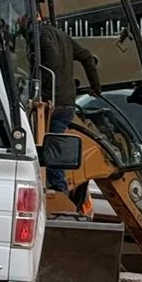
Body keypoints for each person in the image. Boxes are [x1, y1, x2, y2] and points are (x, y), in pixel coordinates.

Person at [38, 19, 104, 201]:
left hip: (52, 103)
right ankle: (57, 188)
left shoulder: (41, 34)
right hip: (67, 103)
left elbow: (50, 57)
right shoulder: (63, 37)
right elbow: (87, 56)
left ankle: (59, 192)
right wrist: (96, 86)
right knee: (55, 145)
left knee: (52, 148)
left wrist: (42, 87)